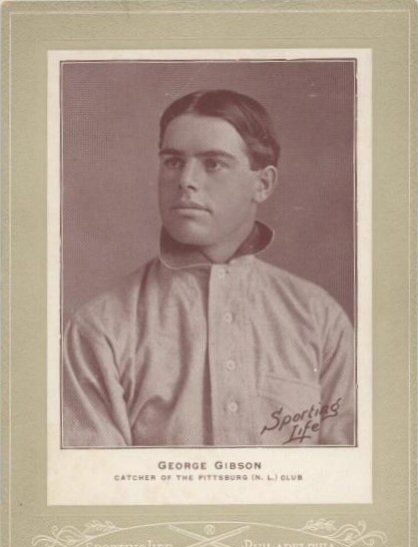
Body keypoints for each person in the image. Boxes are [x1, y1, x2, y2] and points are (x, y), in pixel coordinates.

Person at [63, 89, 355, 447]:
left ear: (262, 184)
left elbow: (346, 469)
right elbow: (98, 478)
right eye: (173, 161)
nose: (185, 179)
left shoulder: (318, 317)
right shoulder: (101, 328)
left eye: (213, 163)